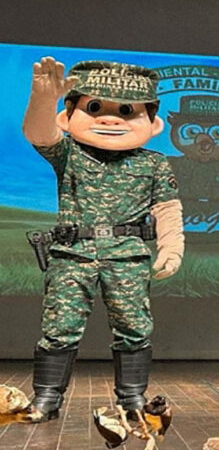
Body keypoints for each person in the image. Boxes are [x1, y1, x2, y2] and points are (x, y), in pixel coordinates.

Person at [21, 57, 184, 422]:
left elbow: (167, 209)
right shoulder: (70, 155)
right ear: (70, 114)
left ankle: (132, 400)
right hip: (72, 255)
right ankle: (46, 398)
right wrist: (44, 98)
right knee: (58, 328)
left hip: (126, 257)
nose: (110, 119)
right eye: (95, 108)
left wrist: (171, 247)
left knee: (133, 328)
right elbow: (39, 134)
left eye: (126, 111)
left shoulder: (154, 164)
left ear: (151, 121)